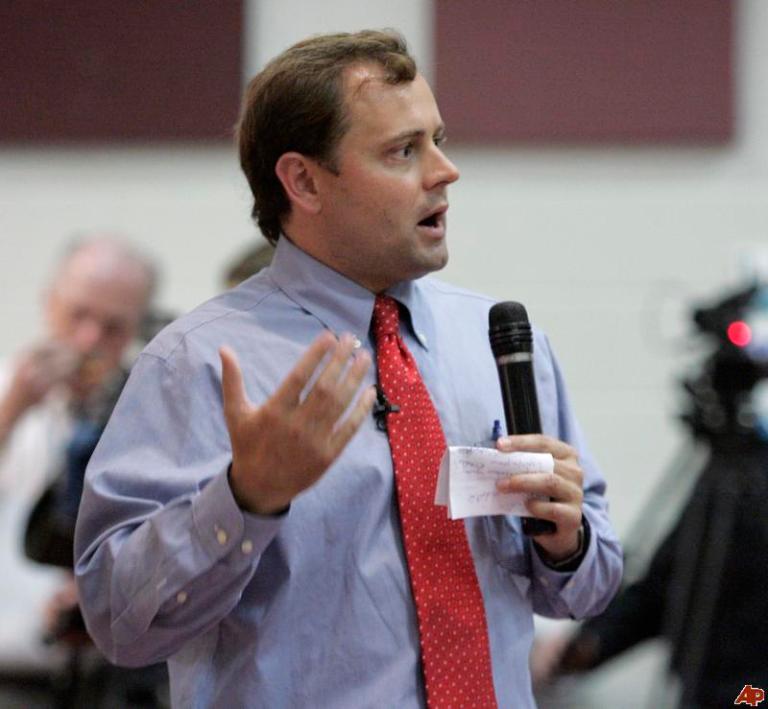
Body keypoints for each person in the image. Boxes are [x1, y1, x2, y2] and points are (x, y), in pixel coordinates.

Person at [74, 30, 622, 708]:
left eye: (438, 140)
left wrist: (567, 544)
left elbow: (591, 584)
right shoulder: (199, 364)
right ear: (303, 180)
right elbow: (119, 623)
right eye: (403, 151)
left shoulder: (499, 340)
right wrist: (245, 498)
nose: (444, 172)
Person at [0, 236, 156, 678]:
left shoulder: (145, 411)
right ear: (48, 303)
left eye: (113, 328)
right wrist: (11, 411)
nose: (89, 340)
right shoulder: (6, 386)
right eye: (77, 316)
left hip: (105, 670)